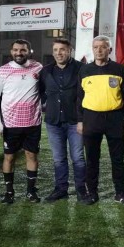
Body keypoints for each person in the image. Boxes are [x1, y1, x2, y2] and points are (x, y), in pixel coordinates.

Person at [78, 35, 124, 205]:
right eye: (96, 47)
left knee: (117, 159)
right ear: (92, 49)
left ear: (110, 49)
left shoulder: (120, 69)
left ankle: (120, 192)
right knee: (92, 159)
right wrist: (80, 120)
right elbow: (78, 97)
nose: (99, 50)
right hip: (91, 118)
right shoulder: (85, 70)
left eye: (103, 47)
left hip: (114, 119)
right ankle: (92, 193)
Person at [0, 39, 43, 204]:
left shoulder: (38, 68)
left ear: (29, 51)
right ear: (11, 51)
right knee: (9, 158)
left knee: (31, 156)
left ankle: (31, 191)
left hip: (33, 123)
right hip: (11, 124)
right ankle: (9, 192)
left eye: (23, 50)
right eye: (16, 50)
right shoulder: (1, 72)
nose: (19, 53)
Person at [39, 38, 86, 203]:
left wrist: (82, 119)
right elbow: (41, 92)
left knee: (78, 158)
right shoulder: (46, 71)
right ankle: (61, 189)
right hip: (53, 121)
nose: (59, 53)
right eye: (56, 50)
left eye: (62, 49)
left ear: (69, 50)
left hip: (75, 121)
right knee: (58, 158)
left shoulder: (81, 68)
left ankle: (81, 190)